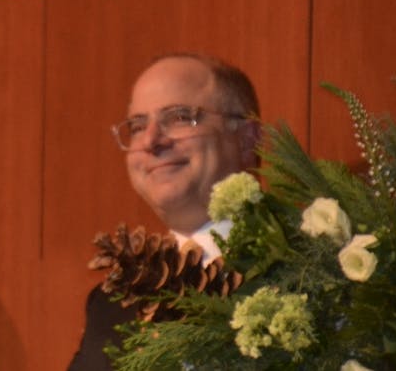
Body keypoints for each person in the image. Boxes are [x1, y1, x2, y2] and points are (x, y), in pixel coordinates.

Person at [68, 53, 262, 370]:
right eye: (138, 125)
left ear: (247, 139)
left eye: (180, 117)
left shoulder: (313, 268)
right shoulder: (111, 304)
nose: (152, 141)